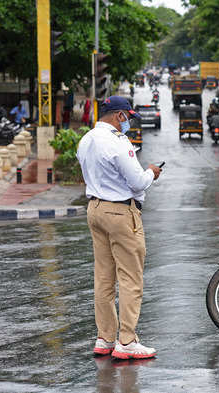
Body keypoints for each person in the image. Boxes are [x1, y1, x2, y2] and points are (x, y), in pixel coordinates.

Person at [76, 95, 163, 359]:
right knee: (130, 278)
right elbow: (137, 182)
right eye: (128, 117)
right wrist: (151, 173)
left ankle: (104, 338)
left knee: (103, 278)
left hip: (95, 209)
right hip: (120, 212)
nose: (129, 123)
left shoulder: (86, 139)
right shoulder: (117, 141)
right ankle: (127, 341)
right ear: (118, 116)